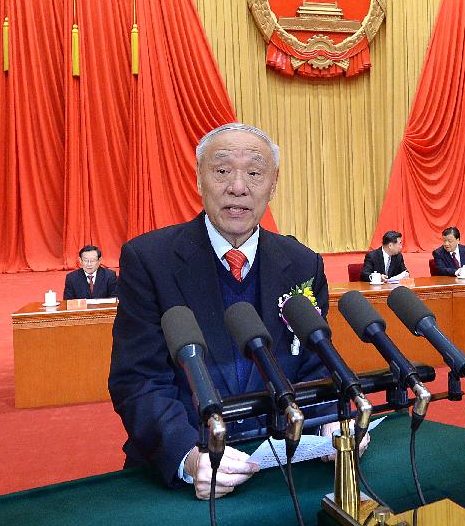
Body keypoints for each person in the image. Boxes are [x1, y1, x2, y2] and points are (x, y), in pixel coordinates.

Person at [108, 123, 365, 500]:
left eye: (255, 172)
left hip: (281, 467)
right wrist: (188, 456)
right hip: (185, 477)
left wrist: (333, 420)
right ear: (199, 179)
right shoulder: (149, 260)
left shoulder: (302, 263)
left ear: (273, 184)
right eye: (223, 170)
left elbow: (314, 366)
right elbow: (138, 380)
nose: (238, 187)